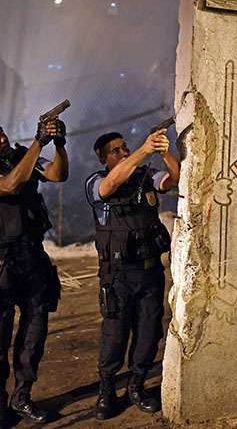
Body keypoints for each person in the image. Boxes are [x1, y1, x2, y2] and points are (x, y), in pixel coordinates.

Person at [0, 116, 68, 428]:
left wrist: (58, 142)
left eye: (2, 132)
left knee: (35, 332)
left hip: (33, 257)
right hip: (1, 263)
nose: (3, 138)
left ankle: (23, 395)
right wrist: (38, 143)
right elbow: (8, 185)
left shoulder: (23, 156)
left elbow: (59, 173)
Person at [85, 128, 180, 420]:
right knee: (114, 334)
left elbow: (174, 179)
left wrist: (163, 151)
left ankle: (136, 386)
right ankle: (107, 391)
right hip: (118, 276)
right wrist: (144, 148)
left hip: (150, 271)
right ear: (104, 159)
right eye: (117, 150)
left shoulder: (145, 177)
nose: (124, 152)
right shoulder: (97, 181)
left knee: (148, 333)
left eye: (125, 147)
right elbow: (112, 183)